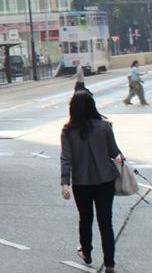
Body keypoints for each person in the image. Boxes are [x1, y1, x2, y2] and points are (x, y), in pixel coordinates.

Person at [60, 88, 121, 272]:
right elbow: (113, 152)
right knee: (105, 222)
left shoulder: (68, 132)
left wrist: (65, 183)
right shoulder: (104, 127)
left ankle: (86, 252)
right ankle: (109, 263)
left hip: (82, 183)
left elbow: (66, 158)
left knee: (85, 219)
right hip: (105, 181)